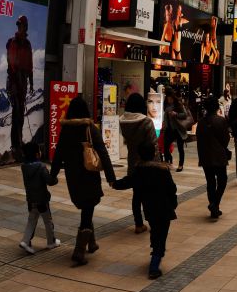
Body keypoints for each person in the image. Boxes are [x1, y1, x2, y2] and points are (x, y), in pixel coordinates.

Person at [49, 96, 117, 266]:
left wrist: (53, 175)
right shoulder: (90, 129)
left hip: (73, 176)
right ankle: (79, 251)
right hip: (89, 175)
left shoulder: (66, 130)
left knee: (87, 207)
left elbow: (58, 155)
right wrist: (111, 177)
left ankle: (92, 243)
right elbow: (102, 153)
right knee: (88, 209)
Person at [113, 141, 177, 278]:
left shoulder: (139, 171)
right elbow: (172, 188)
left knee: (155, 232)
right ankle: (154, 265)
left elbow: (127, 182)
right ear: (154, 154)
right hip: (165, 208)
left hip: (150, 209)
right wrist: (173, 203)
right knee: (161, 235)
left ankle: (155, 251)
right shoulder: (162, 170)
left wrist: (114, 183)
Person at [119, 93, 156, 233]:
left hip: (133, 162)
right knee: (150, 195)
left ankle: (138, 224)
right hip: (148, 163)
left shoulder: (123, 122)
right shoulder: (146, 122)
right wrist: (159, 165)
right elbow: (154, 146)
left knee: (137, 194)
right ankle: (152, 221)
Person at [19, 141, 60, 255]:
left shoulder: (24, 166)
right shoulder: (41, 166)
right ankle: (51, 242)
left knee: (31, 221)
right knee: (48, 221)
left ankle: (25, 241)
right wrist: (55, 178)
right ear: (37, 154)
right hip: (42, 199)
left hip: (31, 199)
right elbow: (49, 181)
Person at [196, 97, 230, 219]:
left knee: (210, 182)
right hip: (219, 155)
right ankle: (215, 204)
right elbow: (226, 139)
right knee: (222, 180)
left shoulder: (201, 122)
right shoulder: (221, 121)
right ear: (216, 107)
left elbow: (199, 139)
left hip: (205, 156)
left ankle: (214, 207)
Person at [5, 15, 33, 158]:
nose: (20, 27)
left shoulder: (26, 44)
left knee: (20, 113)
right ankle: (15, 145)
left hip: (22, 81)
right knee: (17, 112)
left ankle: (18, 143)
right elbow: (11, 64)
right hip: (14, 82)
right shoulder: (13, 42)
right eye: (19, 25)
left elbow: (29, 64)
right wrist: (16, 81)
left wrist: (31, 82)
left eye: (21, 25)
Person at [162, 94, 192, 171]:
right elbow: (166, 118)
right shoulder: (166, 106)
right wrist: (164, 127)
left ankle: (180, 165)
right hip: (169, 129)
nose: (169, 99)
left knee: (180, 148)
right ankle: (167, 162)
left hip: (178, 129)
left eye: (170, 98)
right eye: (168, 98)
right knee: (165, 146)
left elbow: (185, 115)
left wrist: (176, 114)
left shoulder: (178, 105)